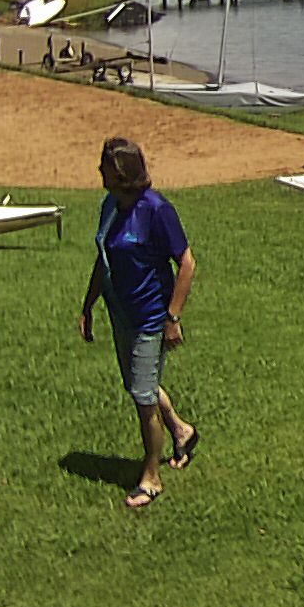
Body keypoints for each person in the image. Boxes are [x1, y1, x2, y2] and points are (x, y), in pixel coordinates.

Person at [78, 138, 199, 508]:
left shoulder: (156, 210)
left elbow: (187, 263)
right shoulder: (110, 206)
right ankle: (182, 430)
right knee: (138, 384)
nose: (99, 171)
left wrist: (172, 318)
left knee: (143, 399)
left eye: (104, 167)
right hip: (121, 313)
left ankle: (151, 478)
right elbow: (104, 258)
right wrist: (88, 305)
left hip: (150, 317)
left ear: (121, 174)